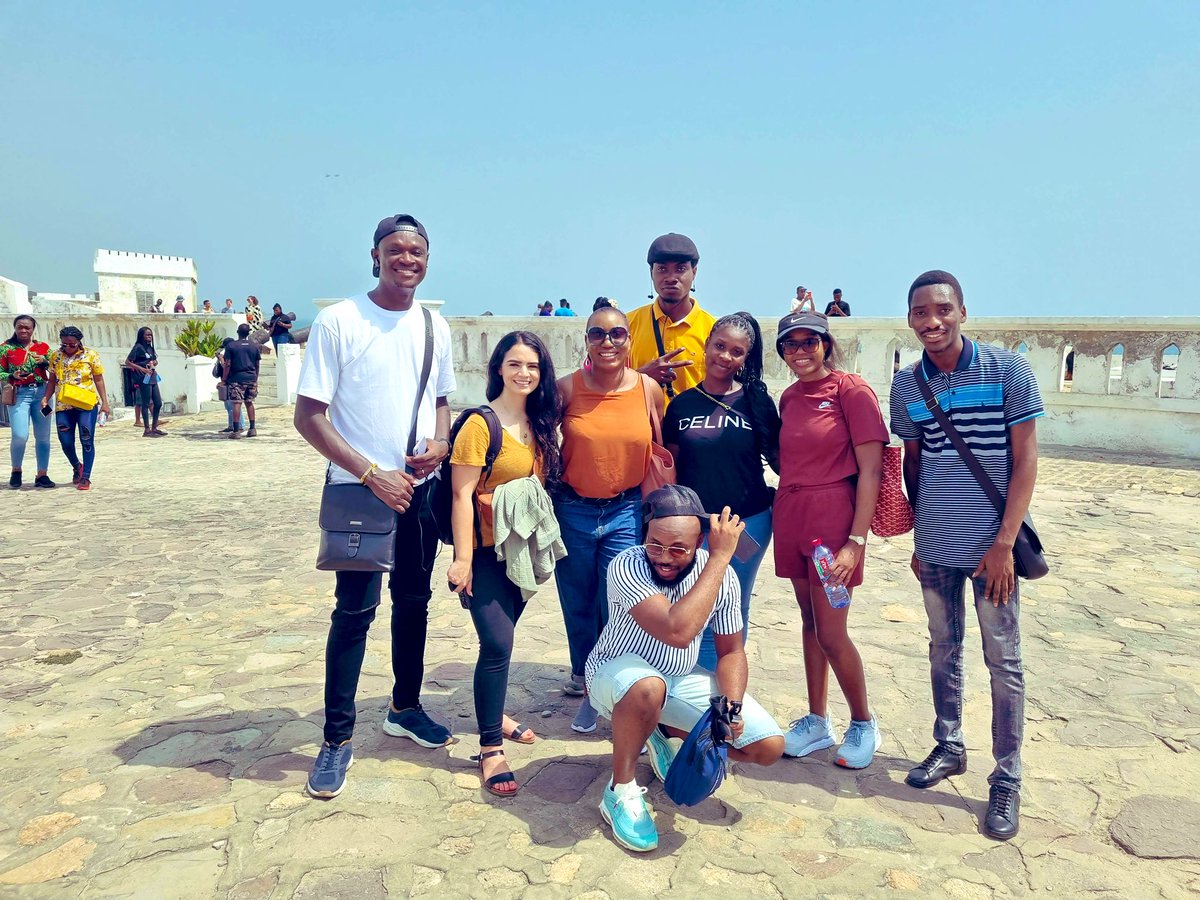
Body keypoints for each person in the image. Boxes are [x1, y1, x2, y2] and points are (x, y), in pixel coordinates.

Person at [295, 213, 455, 800]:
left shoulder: (434, 326)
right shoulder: (340, 321)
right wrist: (371, 473)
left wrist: (440, 443)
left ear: (426, 258)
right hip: (360, 492)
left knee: (414, 602)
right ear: (376, 254)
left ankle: (405, 707)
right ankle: (337, 738)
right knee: (354, 613)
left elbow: (440, 400)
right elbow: (308, 417)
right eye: (396, 249)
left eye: (416, 250)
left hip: (418, 488)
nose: (406, 258)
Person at [890, 270, 1043, 841]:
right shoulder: (907, 386)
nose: (933, 322)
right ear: (910, 319)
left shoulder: (1008, 370)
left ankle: (1007, 776)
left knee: (1003, 659)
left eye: (942, 310)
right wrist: (917, 534)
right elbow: (913, 461)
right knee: (942, 648)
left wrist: (1004, 544)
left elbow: (1025, 459)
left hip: (991, 547)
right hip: (936, 542)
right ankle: (948, 744)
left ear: (962, 311)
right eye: (921, 313)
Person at [587, 486, 785, 852]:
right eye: (655, 544)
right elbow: (676, 630)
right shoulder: (626, 565)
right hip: (614, 678)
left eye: (678, 548)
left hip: (676, 679)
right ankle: (620, 790)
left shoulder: (721, 579)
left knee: (768, 747)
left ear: (699, 543)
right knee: (647, 687)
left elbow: (731, 651)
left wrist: (731, 707)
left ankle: (658, 732)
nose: (664, 557)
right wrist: (719, 560)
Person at [448, 331, 563, 798]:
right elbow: (460, 494)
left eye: (532, 366)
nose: (524, 374)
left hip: (520, 552)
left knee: (502, 640)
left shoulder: (538, 423)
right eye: (515, 364)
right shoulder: (480, 424)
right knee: (497, 643)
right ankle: (490, 747)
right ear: (498, 367)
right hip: (484, 552)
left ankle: (494, 711)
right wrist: (461, 560)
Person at [773, 310, 886, 769]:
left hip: (832, 523)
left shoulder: (850, 391)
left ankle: (863, 721)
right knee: (809, 622)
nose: (800, 351)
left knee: (833, 630)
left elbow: (872, 470)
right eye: (790, 344)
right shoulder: (789, 397)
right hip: (794, 515)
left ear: (825, 344)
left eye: (809, 342)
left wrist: (855, 540)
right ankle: (818, 719)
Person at [554, 304, 663, 734]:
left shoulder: (647, 389)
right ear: (586, 340)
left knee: (617, 602)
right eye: (597, 334)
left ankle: (608, 683)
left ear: (628, 340)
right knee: (578, 601)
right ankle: (584, 678)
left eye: (616, 334)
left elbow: (663, 441)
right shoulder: (565, 389)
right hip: (574, 509)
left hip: (626, 509)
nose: (607, 342)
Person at [663, 313, 779, 670]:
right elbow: (673, 469)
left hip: (748, 522)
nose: (725, 357)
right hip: (696, 526)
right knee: (691, 602)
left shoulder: (756, 402)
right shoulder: (681, 405)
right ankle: (690, 686)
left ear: (746, 358)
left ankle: (722, 696)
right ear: (708, 343)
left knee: (731, 604)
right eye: (720, 346)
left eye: (737, 352)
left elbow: (781, 460)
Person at [628, 233, 716, 402]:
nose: (670, 278)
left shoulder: (714, 330)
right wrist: (641, 378)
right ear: (651, 272)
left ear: (694, 272)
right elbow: (603, 383)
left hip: (694, 427)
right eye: (662, 269)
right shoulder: (626, 326)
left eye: (680, 269)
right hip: (642, 426)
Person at [42, 326, 111, 491]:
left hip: (86, 403)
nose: (68, 347)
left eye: (71, 344)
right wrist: (45, 398)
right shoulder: (56, 356)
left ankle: (86, 476)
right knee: (65, 440)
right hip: (63, 404)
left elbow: (98, 379)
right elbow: (52, 380)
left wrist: (105, 403)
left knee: (86, 438)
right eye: (64, 344)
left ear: (79, 342)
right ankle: (76, 466)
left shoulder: (90, 355)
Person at [1, 314, 55, 488]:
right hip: (20, 394)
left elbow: (58, 367)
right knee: (19, 435)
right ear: (15, 328)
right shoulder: (5, 348)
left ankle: (42, 474)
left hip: (41, 393)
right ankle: (16, 469)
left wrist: (45, 362)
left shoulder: (43, 347)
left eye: (27, 327)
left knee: (43, 436)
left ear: (33, 329)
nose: (23, 330)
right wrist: (11, 375)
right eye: (20, 327)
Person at [126, 327, 167, 437]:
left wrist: (154, 362)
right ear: (142, 336)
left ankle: (154, 427)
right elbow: (128, 362)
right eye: (147, 335)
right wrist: (142, 369)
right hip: (142, 377)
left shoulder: (150, 348)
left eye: (150, 335)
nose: (149, 337)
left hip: (152, 375)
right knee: (146, 403)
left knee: (158, 402)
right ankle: (147, 429)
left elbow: (153, 359)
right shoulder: (138, 348)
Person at [222, 324, 261, 438]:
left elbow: (228, 364)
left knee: (237, 403)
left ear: (237, 332)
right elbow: (257, 364)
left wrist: (224, 379)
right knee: (249, 402)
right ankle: (252, 429)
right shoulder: (254, 346)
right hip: (251, 378)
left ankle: (236, 431)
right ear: (248, 333)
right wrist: (255, 378)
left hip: (237, 378)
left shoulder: (232, 346)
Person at [215, 337, 243, 435]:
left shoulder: (234, 355)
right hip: (227, 382)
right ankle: (231, 425)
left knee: (234, 405)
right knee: (228, 406)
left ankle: (239, 425)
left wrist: (221, 359)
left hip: (233, 382)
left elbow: (227, 367)